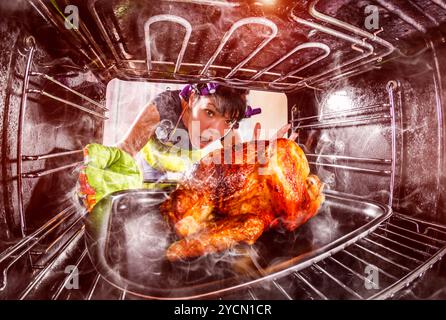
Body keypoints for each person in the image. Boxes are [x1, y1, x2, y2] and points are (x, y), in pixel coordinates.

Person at [78, 83, 295, 211]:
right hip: (152, 167)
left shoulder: (226, 131)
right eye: (209, 112)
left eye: (228, 122)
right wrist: (107, 172)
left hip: (185, 171)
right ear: (192, 98)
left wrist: (269, 160)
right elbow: (127, 148)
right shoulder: (164, 107)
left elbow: (240, 162)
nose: (215, 131)